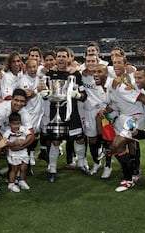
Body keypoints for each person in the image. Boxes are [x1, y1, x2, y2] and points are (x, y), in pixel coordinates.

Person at [38, 47, 88, 183]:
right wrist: (43, 94)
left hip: (72, 112)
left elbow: (84, 96)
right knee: (55, 140)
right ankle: (52, 169)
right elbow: (44, 92)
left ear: (69, 58)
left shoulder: (76, 75)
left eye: (63, 56)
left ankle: (81, 164)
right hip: (56, 112)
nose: (61, 58)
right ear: (56, 59)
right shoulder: (50, 74)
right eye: (58, 56)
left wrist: (77, 95)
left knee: (80, 138)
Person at [104, 55, 145, 192]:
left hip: (134, 117)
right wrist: (105, 110)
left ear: (125, 65)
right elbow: (114, 104)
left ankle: (128, 178)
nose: (116, 65)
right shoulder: (111, 84)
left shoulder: (122, 84)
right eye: (114, 63)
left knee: (118, 144)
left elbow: (140, 97)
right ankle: (134, 173)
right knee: (127, 144)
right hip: (123, 116)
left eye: (119, 63)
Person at [3, 112, 32, 192]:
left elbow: (30, 135)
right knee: (14, 169)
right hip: (14, 154)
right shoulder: (8, 132)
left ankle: (22, 181)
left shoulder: (23, 129)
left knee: (24, 168)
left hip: (23, 152)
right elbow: (4, 142)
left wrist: (24, 142)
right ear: (9, 123)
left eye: (18, 123)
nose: (16, 126)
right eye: (14, 124)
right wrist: (13, 143)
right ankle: (11, 184)